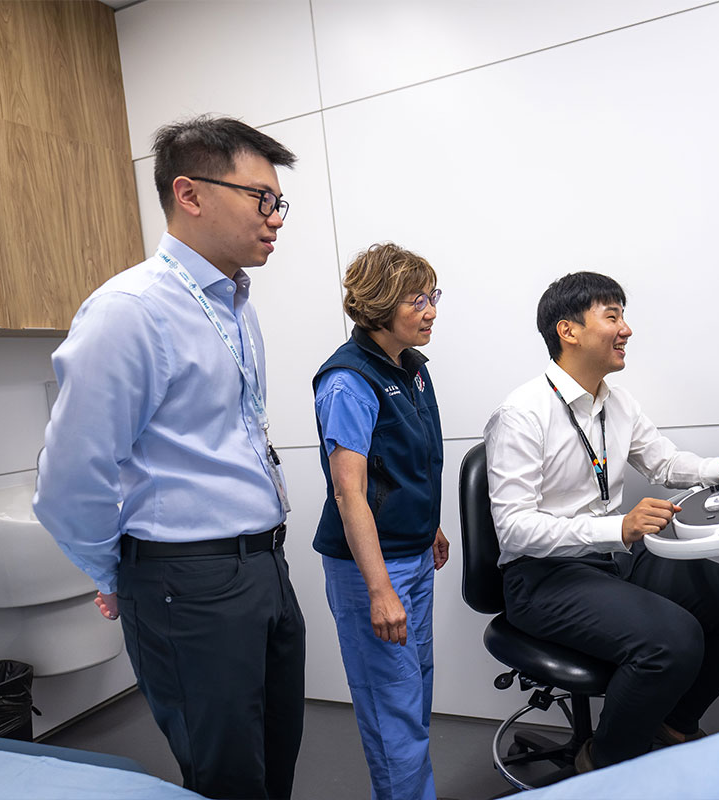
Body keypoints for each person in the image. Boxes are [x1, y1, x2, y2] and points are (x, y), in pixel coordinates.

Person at [33, 116, 305, 800]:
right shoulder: (130, 310)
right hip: (187, 580)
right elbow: (70, 478)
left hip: (264, 566)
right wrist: (116, 571)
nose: (275, 218)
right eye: (261, 198)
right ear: (190, 194)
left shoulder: (235, 304)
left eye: (280, 202)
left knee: (277, 758)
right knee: (226, 776)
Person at [483, 271, 719, 771]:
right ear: (568, 331)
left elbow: (664, 462)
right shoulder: (521, 414)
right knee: (674, 640)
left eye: (624, 316)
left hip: (612, 559)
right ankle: (606, 762)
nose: (627, 329)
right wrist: (616, 529)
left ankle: (671, 724)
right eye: (612, 316)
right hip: (543, 576)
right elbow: (514, 528)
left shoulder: (616, 402)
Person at [312, 243, 449, 800]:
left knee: (413, 696)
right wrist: (379, 589)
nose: (431, 310)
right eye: (417, 300)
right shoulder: (348, 381)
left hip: (411, 553)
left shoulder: (410, 367)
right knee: (393, 711)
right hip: (373, 569)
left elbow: (405, 465)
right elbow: (350, 493)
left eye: (433, 297)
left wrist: (426, 523)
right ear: (380, 304)